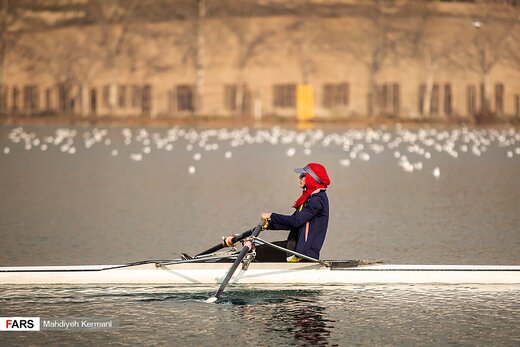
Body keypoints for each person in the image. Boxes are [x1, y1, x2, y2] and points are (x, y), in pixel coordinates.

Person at [259, 162, 331, 262]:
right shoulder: (309, 199)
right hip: (294, 247)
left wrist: (272, 215)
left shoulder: (317, 200)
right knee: (257, 250)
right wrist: (269, 225)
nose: (299, 178)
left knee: (258, 252)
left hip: (302, 253)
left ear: (311, 178)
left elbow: (296, 221)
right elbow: (292, 224)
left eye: (302, 176)